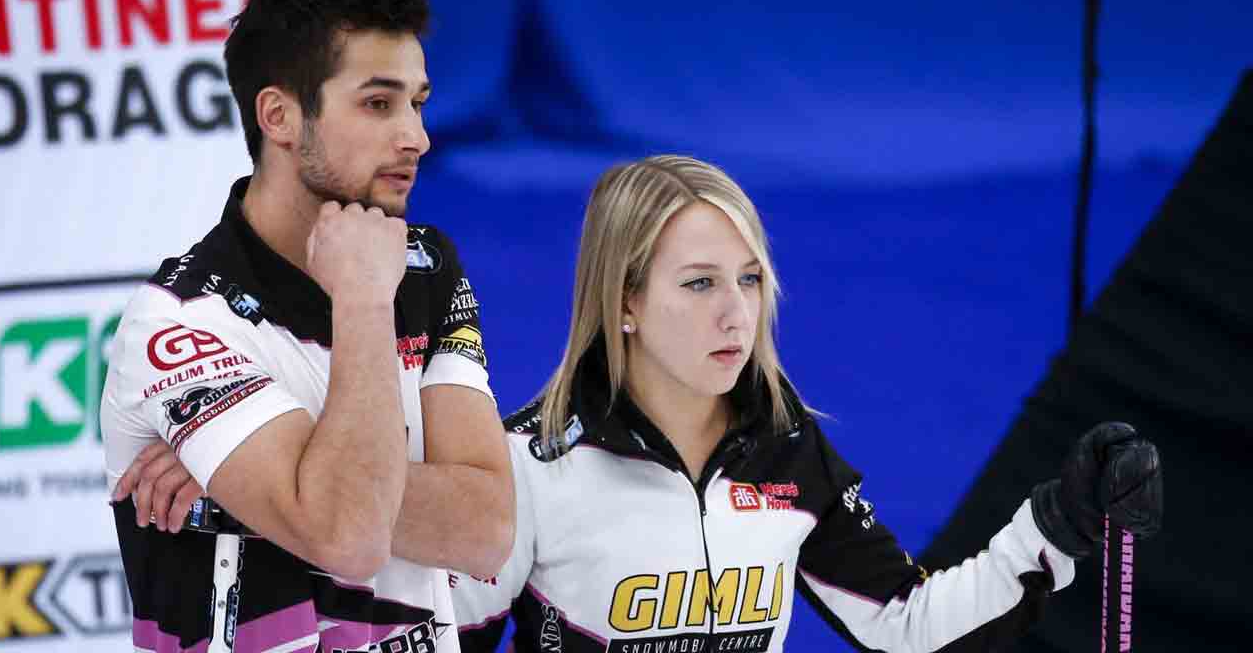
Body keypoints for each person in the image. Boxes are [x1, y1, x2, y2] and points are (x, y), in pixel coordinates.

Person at [450, 155, 1163, 652]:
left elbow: (908, 625)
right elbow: (442, 637)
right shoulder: (527, 466)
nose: (737, 313)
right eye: (699, 283)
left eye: (750, 279)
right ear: (625, 302)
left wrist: (1058, 525)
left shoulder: (784, 447)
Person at [100, 0, 513, 653]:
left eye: (417, 102)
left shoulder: (425, 265)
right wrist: (363, 300)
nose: (417, 137)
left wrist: (270, 486)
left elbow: (486, 529)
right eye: (378, 104)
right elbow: (350, 536)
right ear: (279, 116)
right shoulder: (175, 321)